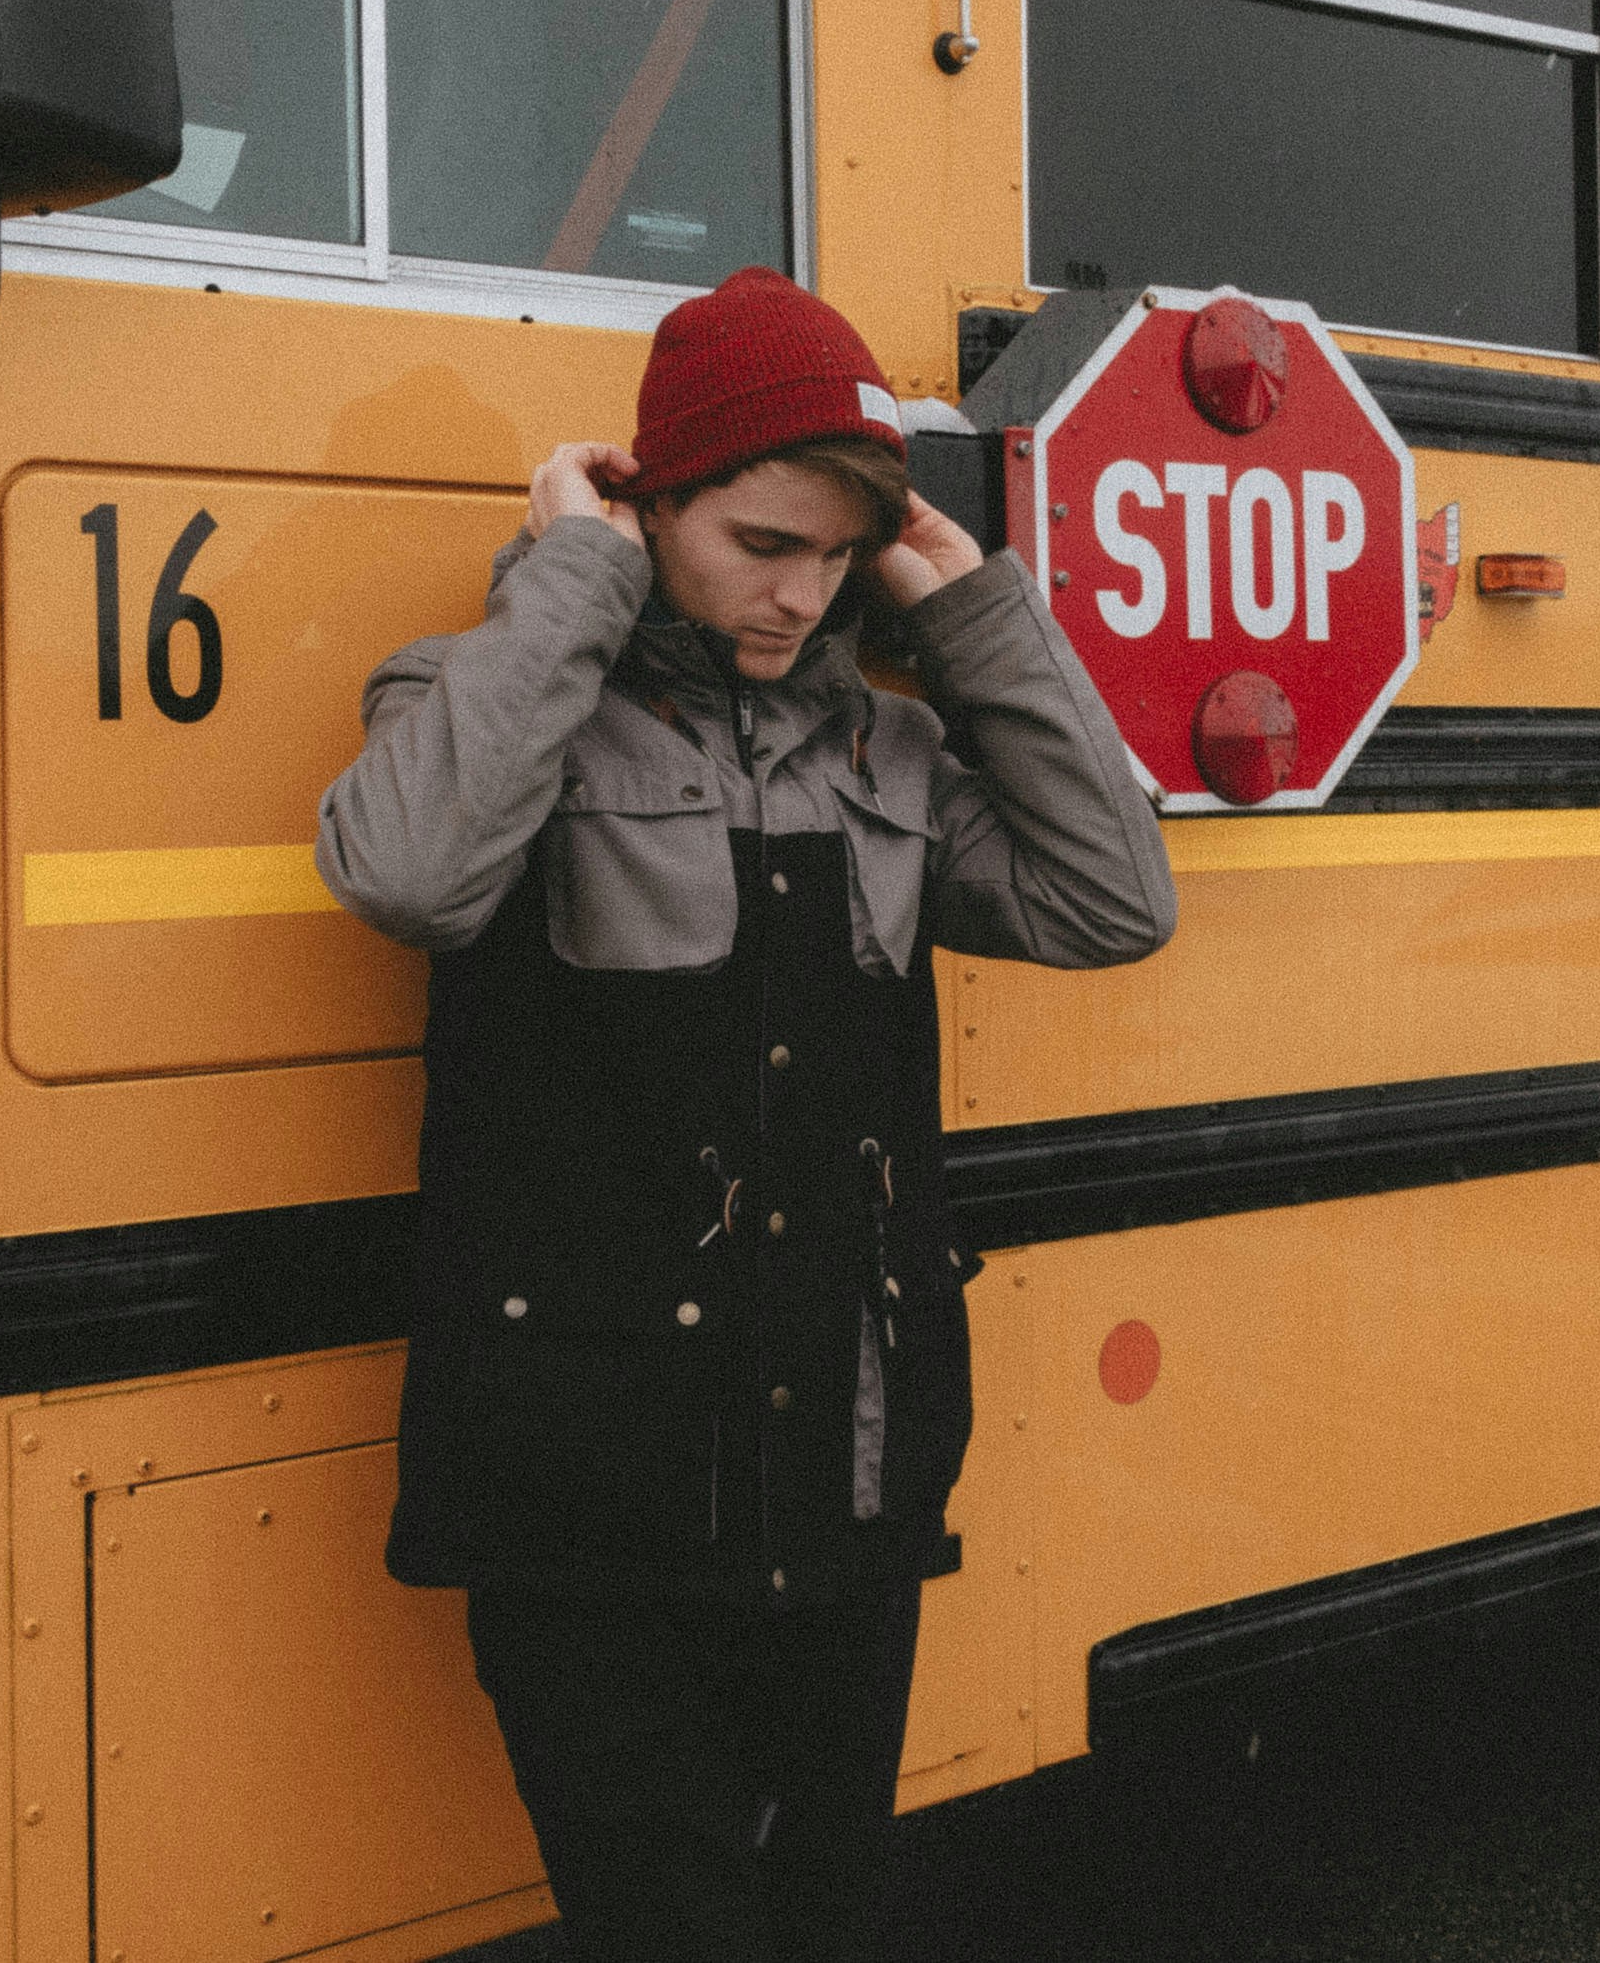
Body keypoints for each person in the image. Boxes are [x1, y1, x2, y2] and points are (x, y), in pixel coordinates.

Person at [316, 266, 1175, 1961]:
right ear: (651, 506)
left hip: (840, 1473)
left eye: (841, 554)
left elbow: (1113, 901)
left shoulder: (893, 754)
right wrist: (571, 580)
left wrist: (978, 599)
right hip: (595, 1497)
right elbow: (407, 874)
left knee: (824, 1919)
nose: (803, 595)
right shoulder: (482, 698)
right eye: (760, 543)